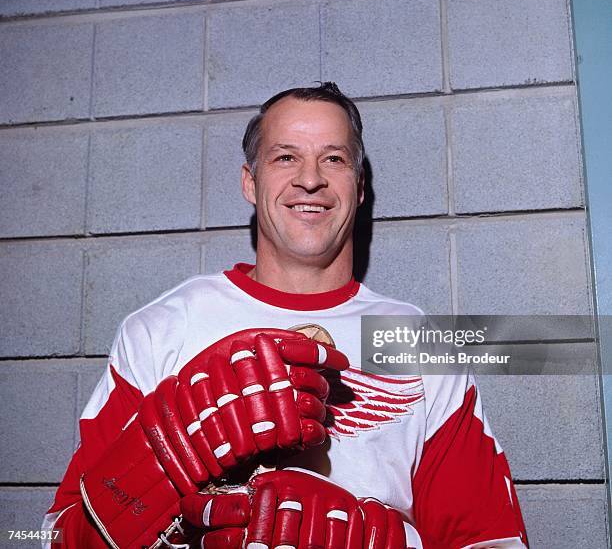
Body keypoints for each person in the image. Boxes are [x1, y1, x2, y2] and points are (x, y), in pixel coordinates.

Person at [43, 82, 528, 548]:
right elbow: (52, 538)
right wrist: (144, 486)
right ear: (250, 184)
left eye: (333, 159)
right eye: (285, 157)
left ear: (359, 188)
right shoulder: (164, 328)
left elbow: (490, 541)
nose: (310, 178)